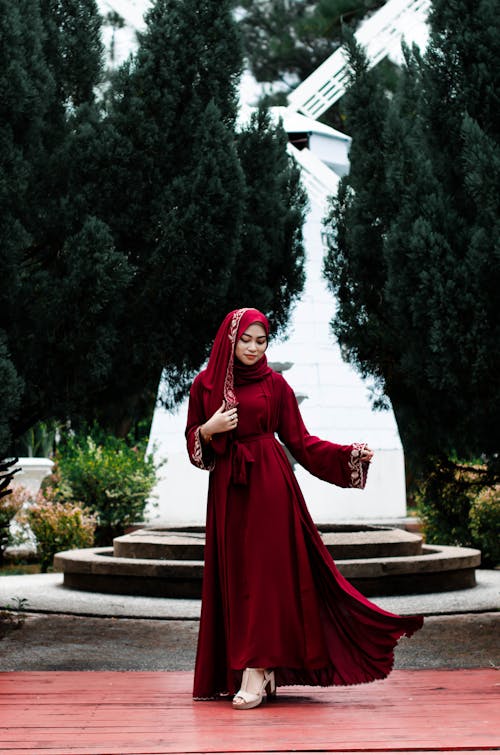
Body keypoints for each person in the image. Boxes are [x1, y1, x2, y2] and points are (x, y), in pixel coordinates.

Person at [186, 307, 423, 709]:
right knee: (237, 579)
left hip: (270, 489)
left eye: (261, 342)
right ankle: (258, 667)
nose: (253, 349)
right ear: (229, 338)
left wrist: (349, 456)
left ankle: (256, 669)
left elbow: (302, 443)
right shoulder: (205, 385)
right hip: (227, 492)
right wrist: (208, 430)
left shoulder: (276, 385)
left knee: (263, 581)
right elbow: (196, 451)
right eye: (246, 340)